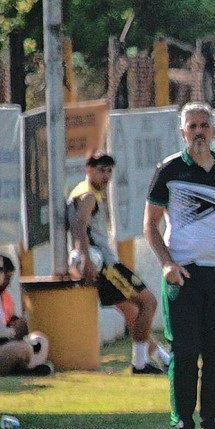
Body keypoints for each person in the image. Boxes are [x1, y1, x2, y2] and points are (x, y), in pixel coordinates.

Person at [144, 103, 215, 429]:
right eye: (192, 126)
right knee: (185, 351)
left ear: (214, 131)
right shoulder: (169, 170)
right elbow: (150, 225)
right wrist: (167, 264)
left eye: (204, 125)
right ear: (182, 132)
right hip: (183, 275)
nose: (198, 132)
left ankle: (214, 421)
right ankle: (182, 424)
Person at [67, 151, 171, 374]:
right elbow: (79, 227)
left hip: (97, 262)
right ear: (88, 170)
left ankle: (163, 357)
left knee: (132, 312)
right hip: (105, 265)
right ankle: (140, 363)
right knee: (148, 303)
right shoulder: (88, 196)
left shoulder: (84, 192)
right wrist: (85, 258)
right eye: (100, 170)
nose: (105, 176)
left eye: (108, 171)